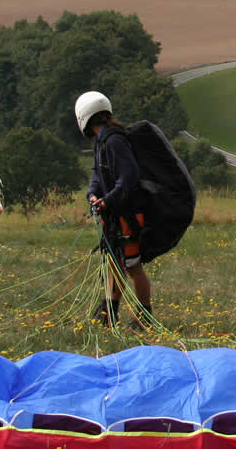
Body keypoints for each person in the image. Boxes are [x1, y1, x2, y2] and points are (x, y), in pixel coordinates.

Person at [79, 90, 153, 328]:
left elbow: (128, 177)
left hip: (127, 214)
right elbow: (97, 173)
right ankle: (109, 312)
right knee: (113, 263)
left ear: (84, 117)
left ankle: (145, 317)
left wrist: (107, 200)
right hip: (113, 213)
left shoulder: (114, 141)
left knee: (132, 266)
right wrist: (93, 194)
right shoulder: (101, 142)